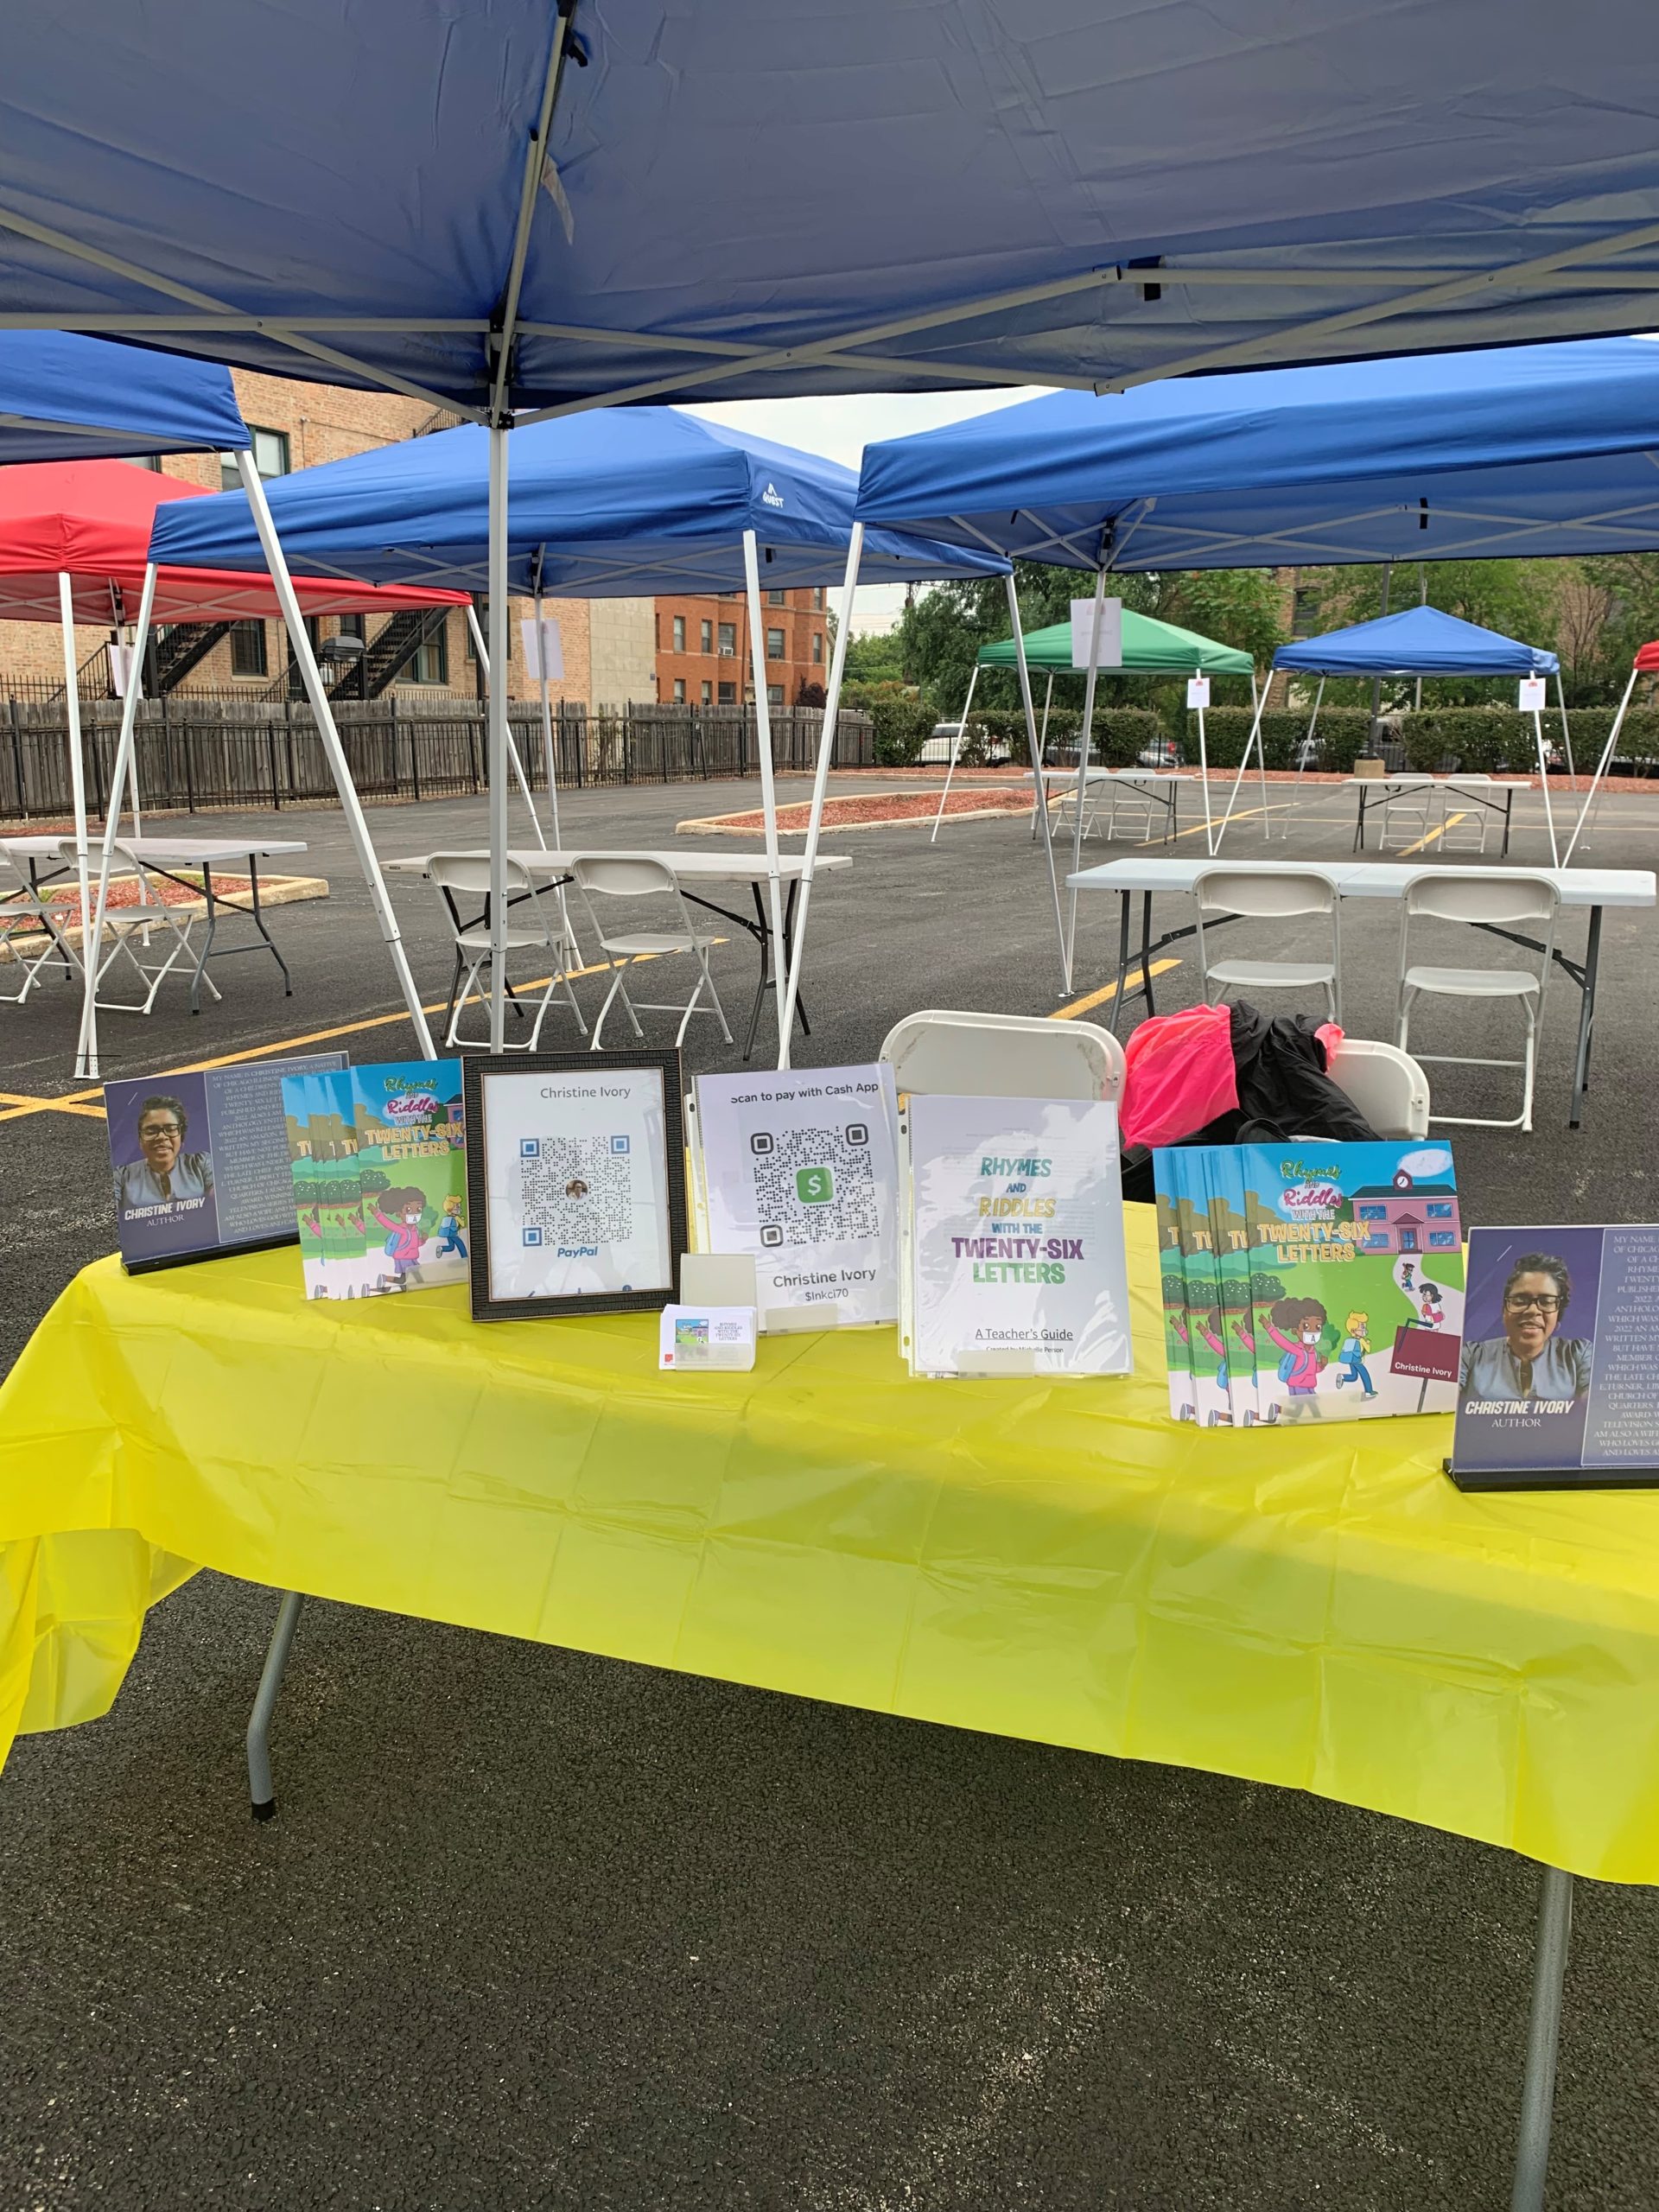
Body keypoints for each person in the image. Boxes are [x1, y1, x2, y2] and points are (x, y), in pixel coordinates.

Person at [1459, 1254, 1592, 1404]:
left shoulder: (1578, 1355)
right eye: (1520, 1301)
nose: (1532, 1310)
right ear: (1504, 1311)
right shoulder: (1471, 1357)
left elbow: (1597, 1410)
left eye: (1546, 1302)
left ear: (1558, 1315)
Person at [113, 1093, 213, 1211]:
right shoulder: (122, 1176)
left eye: (170, 1129)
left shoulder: (201, 1164)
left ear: (181, 1138)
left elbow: (222, 1202)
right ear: (140, 1140)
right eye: (151, 1131)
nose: (161, 1137)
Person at [1334, 1311, 1377, 1399]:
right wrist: (1368, 1342)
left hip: (1351, 1360)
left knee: (1354, 1377)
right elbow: (1368, 1349)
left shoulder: (1350, 1340)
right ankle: (1369, 1391)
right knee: (1365, 1375)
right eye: (1362, 1327)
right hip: (1358, 1361)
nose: (1364, 1330)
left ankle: (1343, 1377)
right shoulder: (1361, 1340)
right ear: (1353, 1330)